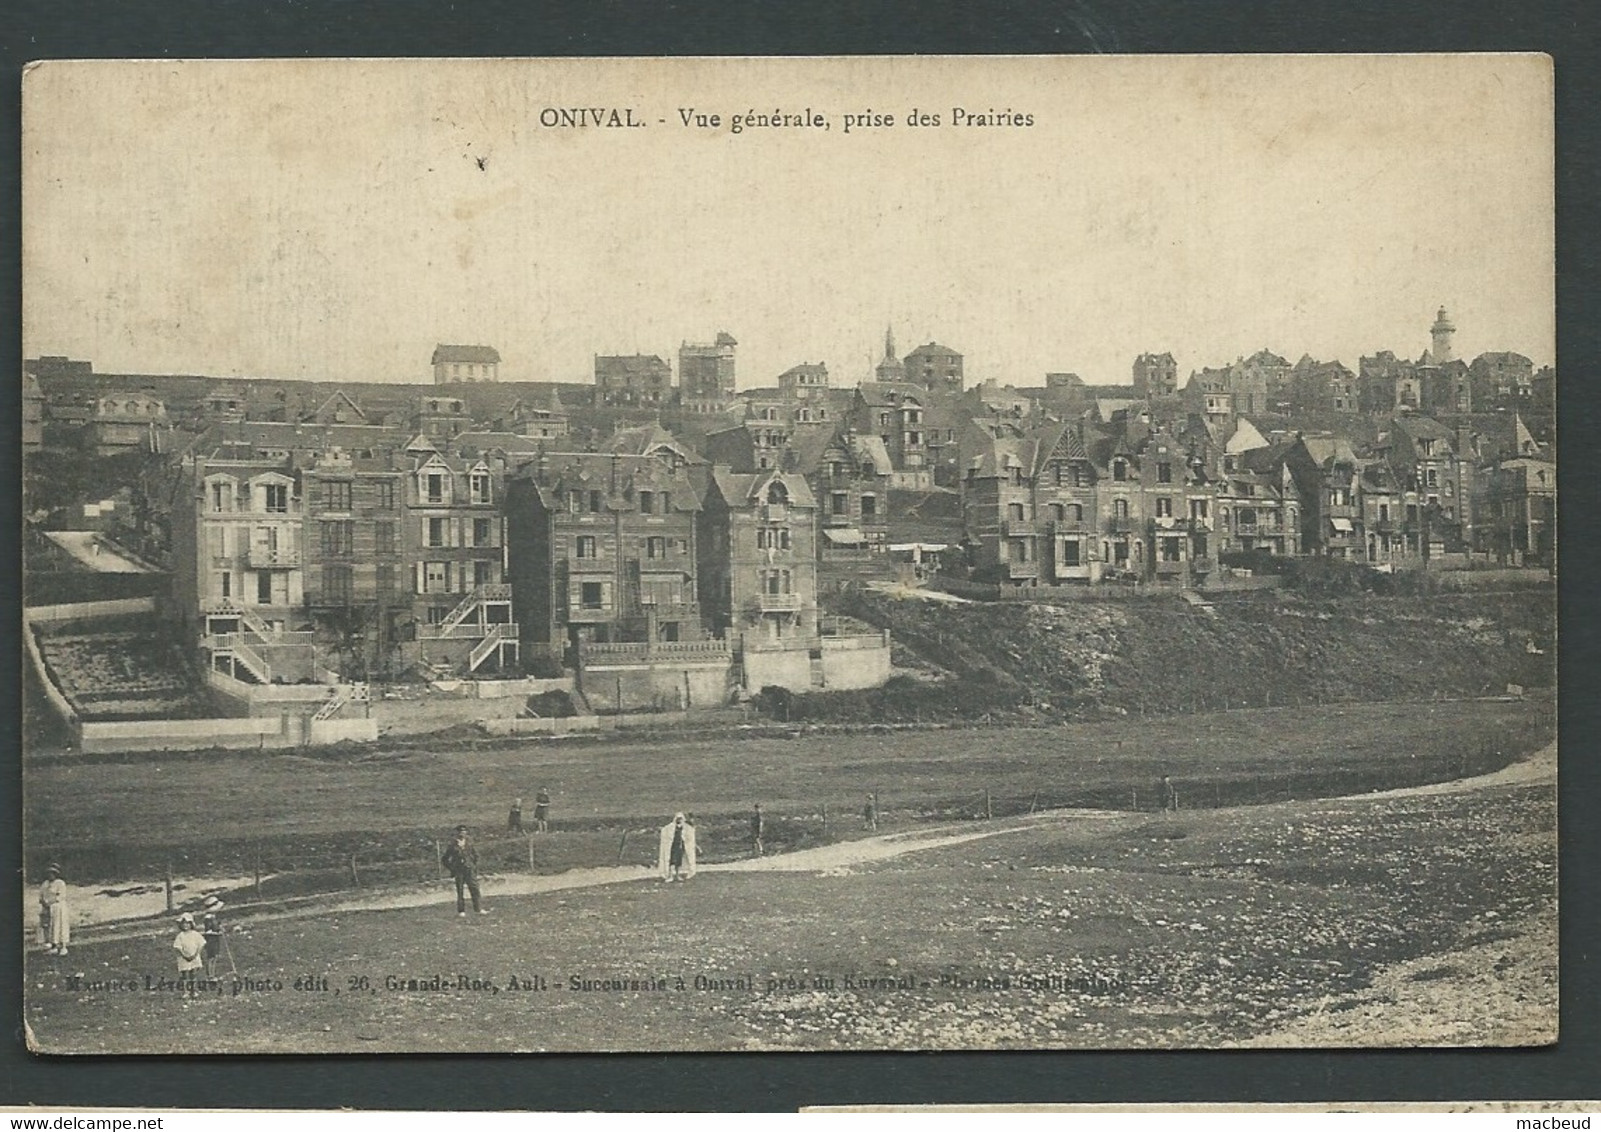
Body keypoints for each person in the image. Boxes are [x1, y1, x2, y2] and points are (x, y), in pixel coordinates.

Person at [442, 824, 488, 917]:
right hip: (459, 870)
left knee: (474, 889)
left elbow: (476, 855)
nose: (462, 834)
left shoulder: (469, 843)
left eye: (464, 832)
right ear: (457, 833)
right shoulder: (452, 844)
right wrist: (452, 868)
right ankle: (461, 910)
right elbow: (445, 859)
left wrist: (473, 865)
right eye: (460, 832)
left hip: (469, 869)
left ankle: (478, 908)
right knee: (460, 890)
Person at [38, 863, 69, 956]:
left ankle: (63, 947)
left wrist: (50, 902)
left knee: (60, 926)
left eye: (52, 873)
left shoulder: (60, 883)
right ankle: (53, 946)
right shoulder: (45, 884)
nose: (50, 875)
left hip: (58, 907)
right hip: (48, 908)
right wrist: (44, 903)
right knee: (49, 927)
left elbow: (60, 896)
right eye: (49, 873)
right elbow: (41, 896)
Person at [173, 913, 207, 996]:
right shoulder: (180, 936)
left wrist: (196, 954)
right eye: (183, 924)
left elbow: (201, 944)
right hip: (184, 958)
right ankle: (186, 991)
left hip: (194, 956)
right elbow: (177, 947)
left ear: (191, 924)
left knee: (193, 974)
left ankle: (194, 990)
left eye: (187, 923)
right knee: (185, 975)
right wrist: (184, 955)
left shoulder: (195, 934)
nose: (185, 926)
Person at [658, 812, 697, 882]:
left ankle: (677, 875)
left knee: (678, 862)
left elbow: (689, 834)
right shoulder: (671, 828)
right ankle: (670, 875)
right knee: (671, 861)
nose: (679, 820)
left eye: (681, 819)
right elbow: (666, 833)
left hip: (680, 847)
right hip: (673, 847)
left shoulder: (685, 828)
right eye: (678, 819)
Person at [201, 896, 226, 977]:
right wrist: (218, 933)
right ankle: (210, 974)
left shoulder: (213, 917)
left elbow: (216, 927)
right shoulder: (208, 918)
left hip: (215, 939)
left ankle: (213, 973)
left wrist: (220, 928)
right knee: (211, 957)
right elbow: (208, 931)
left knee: (215, 957)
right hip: (210, 940)